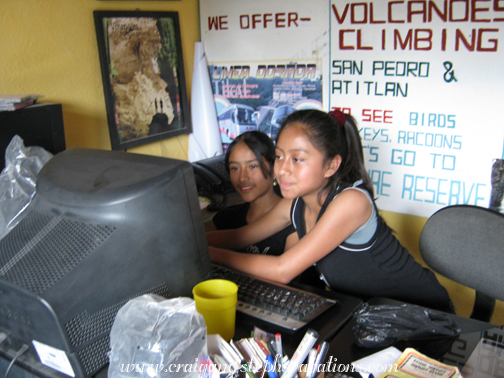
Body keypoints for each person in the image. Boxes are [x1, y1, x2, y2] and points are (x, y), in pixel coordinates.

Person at [207, 109, 454, 313]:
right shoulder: (295, 203)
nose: (282, 170)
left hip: (422, 312)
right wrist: (187, 242)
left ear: (331, 165)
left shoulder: (351, 202)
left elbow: (282, 270)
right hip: (369, 312)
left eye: (298, 159)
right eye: (280, 156)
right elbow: (240, 236)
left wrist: (206, 253)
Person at [207, 131, 296, 256]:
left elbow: (283, 271)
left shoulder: (294, 220)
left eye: (253, 166)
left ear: (274, 168)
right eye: (235, 168)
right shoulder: (223, 219)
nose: (242, 178)